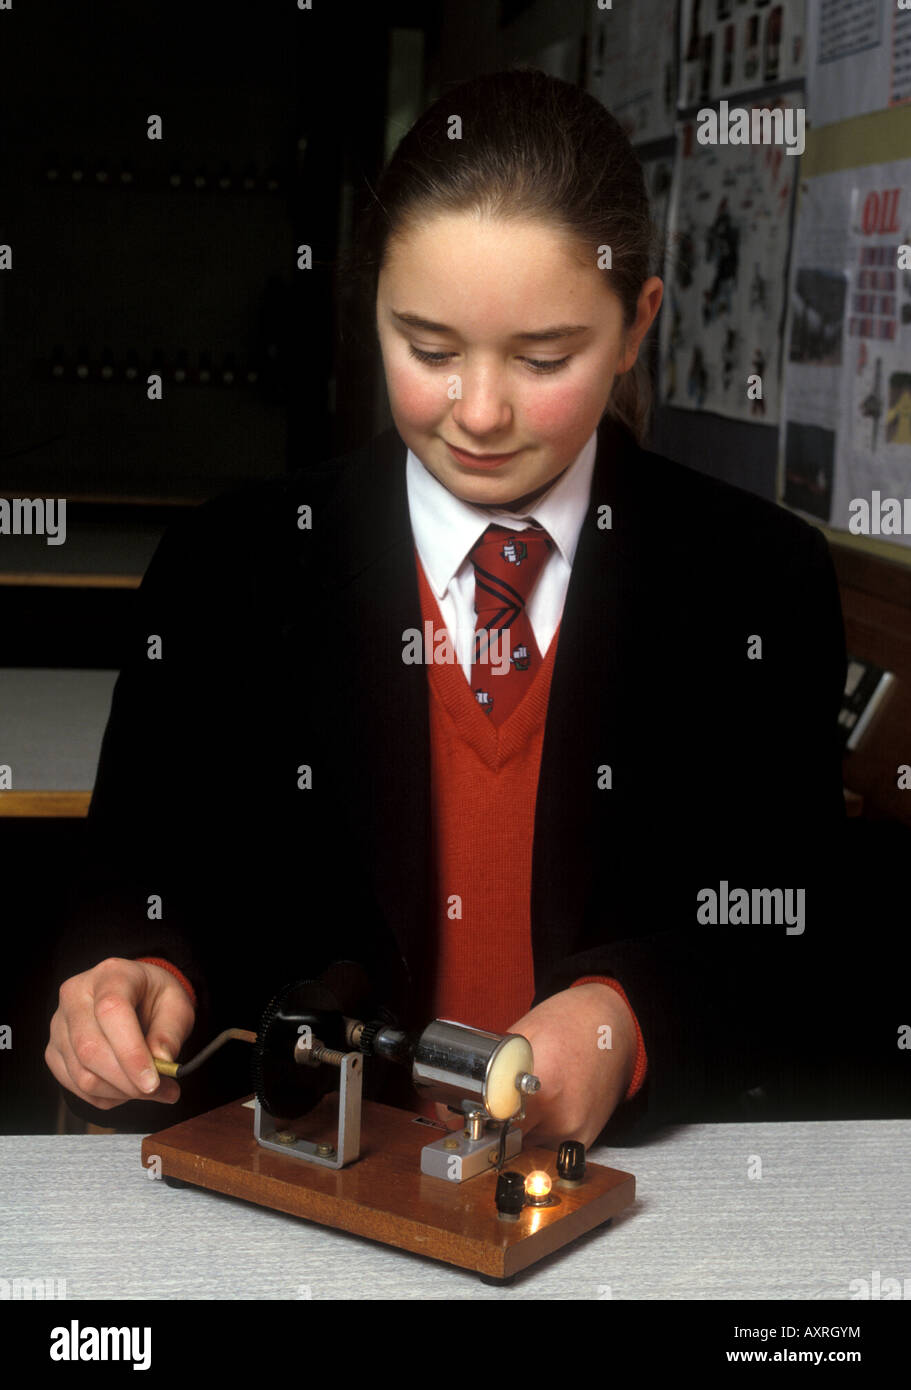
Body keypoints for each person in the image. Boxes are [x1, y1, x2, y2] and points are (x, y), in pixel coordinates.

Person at [45, 69, 893, 1147]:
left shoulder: (751, 579)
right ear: (372, 312)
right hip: (296, 1186)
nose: (478, 414)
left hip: (623, 1199)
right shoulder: (231, 566)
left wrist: (622, 1023)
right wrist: (136, 978)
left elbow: (783, 930)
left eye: (544, 358)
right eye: (428, 349)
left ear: (636, 325)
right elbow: (138, 882)